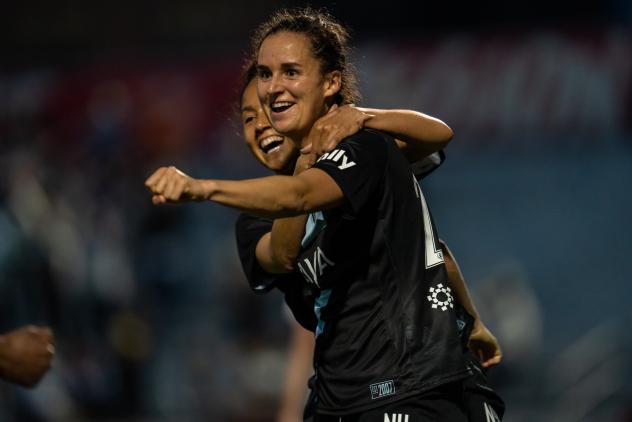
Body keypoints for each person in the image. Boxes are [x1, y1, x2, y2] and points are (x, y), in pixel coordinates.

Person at [145, 7, 488, 420]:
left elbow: (437, 145)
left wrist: (204, 187)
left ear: (330, 84)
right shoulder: (254, 221)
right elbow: (285, 245)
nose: (269, 103)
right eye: (250, 115)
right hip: (336, 397)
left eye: (290, 73)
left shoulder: (364, 149)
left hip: (406, 388)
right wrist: (307, 156)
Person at [235, 63, 503, 421]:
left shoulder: (359, 159)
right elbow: (292, 270)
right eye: (249, 119)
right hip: (349, 390)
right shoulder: (256, 222)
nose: (262, 126)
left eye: (272, 110)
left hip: (423, 380)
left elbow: (437, 136)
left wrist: (362, 117)